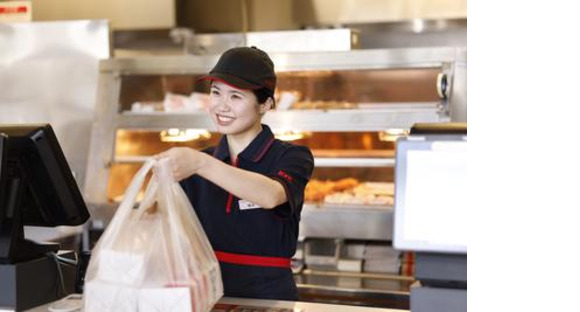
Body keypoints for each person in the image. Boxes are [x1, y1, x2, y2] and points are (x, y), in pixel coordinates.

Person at [156, 46, 314, 301]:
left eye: (236, 97)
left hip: (269, 300)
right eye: (216, 93)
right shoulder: (197, 163)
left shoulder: (292, 157)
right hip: (207, 296)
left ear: (265, 104)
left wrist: (200, 164)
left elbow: (271, 195)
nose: (222, 106)